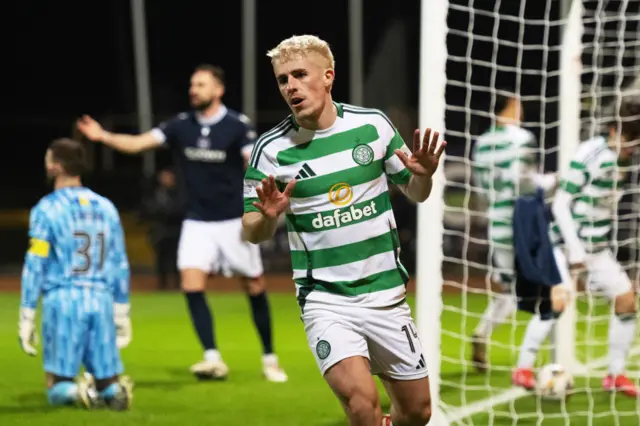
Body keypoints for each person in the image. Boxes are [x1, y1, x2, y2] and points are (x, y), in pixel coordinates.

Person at [242, 34, 446, 426]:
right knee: (362, 405)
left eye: (300, 75)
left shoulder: (373, 126)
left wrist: (423, 176)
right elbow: (252, 230)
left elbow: (416, 192)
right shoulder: (270, 149)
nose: (291, 87)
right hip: (326, 300)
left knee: (418, 412)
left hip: (386, 295)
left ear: (328, 76)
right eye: (283, 80)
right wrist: (267, 216)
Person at [76, 64, 287, 382]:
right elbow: (139, 144)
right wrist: (102, 135)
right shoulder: (180, 125)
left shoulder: (236, 125)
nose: (194, 89)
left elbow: (253, 162)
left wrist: (273, 190)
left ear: (218, 90)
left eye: (201, 84)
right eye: (192, 84)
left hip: (233, 221)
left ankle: (270, 358)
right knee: (191, 284)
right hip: (197, 221)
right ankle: (212, 357)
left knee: (255, 286)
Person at [18, 138, 133, 409]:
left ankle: (80, 393)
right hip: (101, 299)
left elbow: (36, 262)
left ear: (55, 167)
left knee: (57, 384)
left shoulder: (46, 209)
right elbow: (119, 262)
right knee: (108, 378)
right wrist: (122, 309)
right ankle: (112, 394)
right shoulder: (106, 207)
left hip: (64, 299)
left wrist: (27, 311)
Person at [469, 92, 566, 388]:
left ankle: (483, 332)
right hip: (524, 225)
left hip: (496, 224)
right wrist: (553, 181)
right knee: (553, 289)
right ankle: (542, 361)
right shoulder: (521, 138)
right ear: (510, 108)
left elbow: (481, 189)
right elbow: (525, 182)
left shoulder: (481, 144)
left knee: (512, 290)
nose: (521, 112)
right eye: (518, 107)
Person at [551, 98, 640, 397]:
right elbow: (561, 204)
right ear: (614, 130)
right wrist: (574, 249)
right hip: (566, 244)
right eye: (628, 142)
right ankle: (524, 368)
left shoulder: (625, 158)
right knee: (556, 304)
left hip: (597, 247)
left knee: (626, 300)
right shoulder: (592, 152)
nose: (630, 150)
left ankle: (615, 375)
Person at [139, 168, 182, 290]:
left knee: (176, 259)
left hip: (175, 230)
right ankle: (162, 284)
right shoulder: (154, 194)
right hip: (160, 231)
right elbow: (147, 210)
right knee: (161, 260)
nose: (167, 179)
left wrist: (167, 212)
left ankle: (177, 284)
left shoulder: (179, 193)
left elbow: (181, 209)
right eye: (164, 176)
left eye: (169, 176)